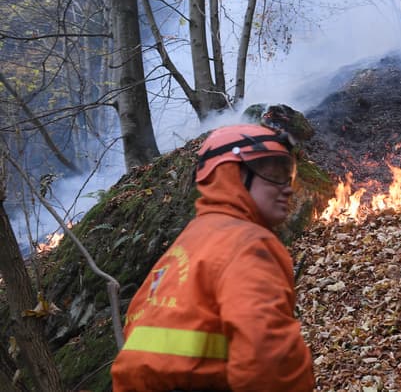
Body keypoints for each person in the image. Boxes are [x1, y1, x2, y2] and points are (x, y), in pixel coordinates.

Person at [111, 123, 314, 391]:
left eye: (287, 175)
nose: (287, 188)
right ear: (231, 174)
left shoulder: (188, 243)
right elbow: (269, 358)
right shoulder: (247, 243)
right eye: (273, 174)